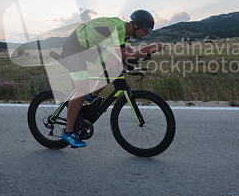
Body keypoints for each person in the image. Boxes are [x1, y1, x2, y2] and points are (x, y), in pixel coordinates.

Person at [60, 10, 164, 147]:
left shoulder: (123, 32)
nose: (148, 33)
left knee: (115, 65)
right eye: (147, 28)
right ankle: (68, 132)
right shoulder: (118, 28)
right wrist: (148, 48)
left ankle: (92, 96)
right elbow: (123, 54)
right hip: (74, 47)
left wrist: (144, 53)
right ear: (137, 25)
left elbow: (127, 52)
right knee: (82, 89)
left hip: (88, 46)